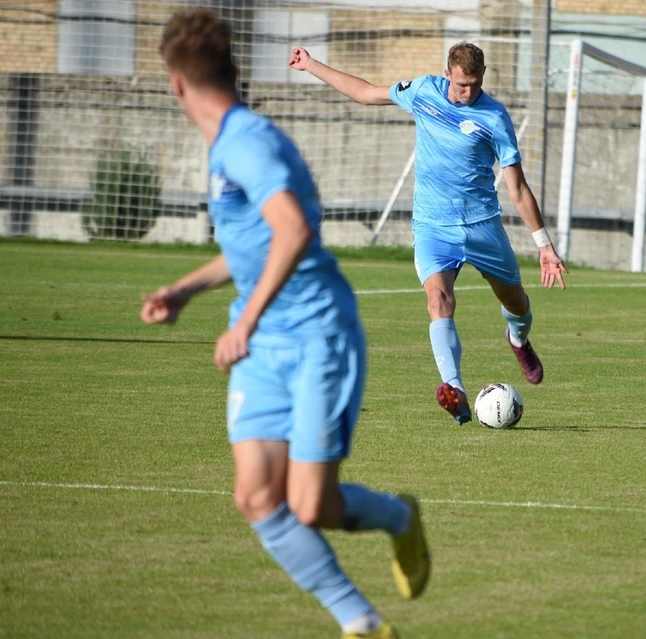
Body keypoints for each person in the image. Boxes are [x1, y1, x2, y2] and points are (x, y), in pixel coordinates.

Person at [140, 9, 428, 639]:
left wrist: (246, 321)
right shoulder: (233, 143)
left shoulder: (244, 141)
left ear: (175, 83)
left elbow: (294, 230)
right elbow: (255, 242)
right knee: (258, 499)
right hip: (266, 344)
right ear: (232, 71)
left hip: (316, 336)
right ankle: (362, 624)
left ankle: (400, 518)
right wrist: (186, 289)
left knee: (310, 505)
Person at [289, 42, 568, 426]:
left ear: (482, 76)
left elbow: (517, 189)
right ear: (447, 74)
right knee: (439, 300)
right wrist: (312, 65)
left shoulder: (495, 118)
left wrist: (544, 246)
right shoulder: (422, 91)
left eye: (472, 84)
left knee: (517, 303)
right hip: (433, 227)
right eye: (459, 84)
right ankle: (455, 391)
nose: (466, 92)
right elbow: (367, 93)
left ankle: (518, 339)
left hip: (483, 226)